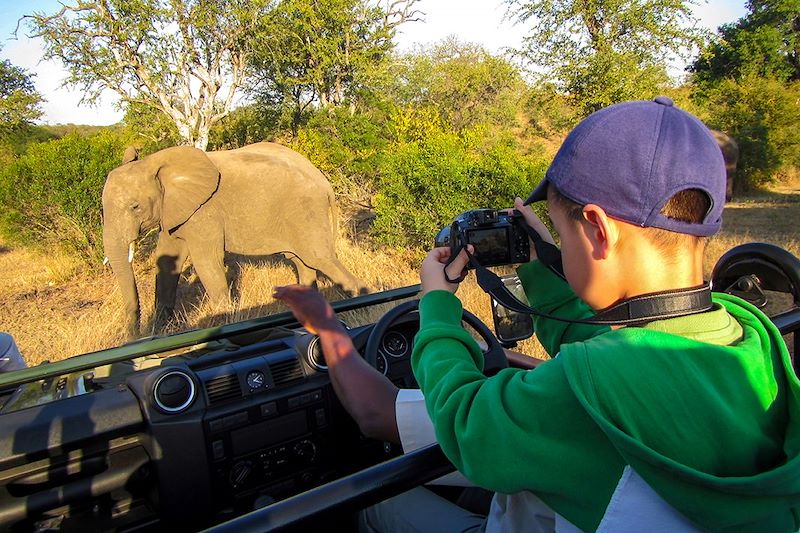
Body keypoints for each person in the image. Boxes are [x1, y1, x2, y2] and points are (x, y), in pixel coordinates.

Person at [276, 97, 800, 531]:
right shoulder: (750, 336)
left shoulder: (579, 389)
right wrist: (540, 262)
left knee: (374, 504)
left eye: (560, 231)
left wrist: (435, 307)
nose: (557, 244)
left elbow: (461, 422)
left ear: (598, 230)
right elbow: (620, 340)